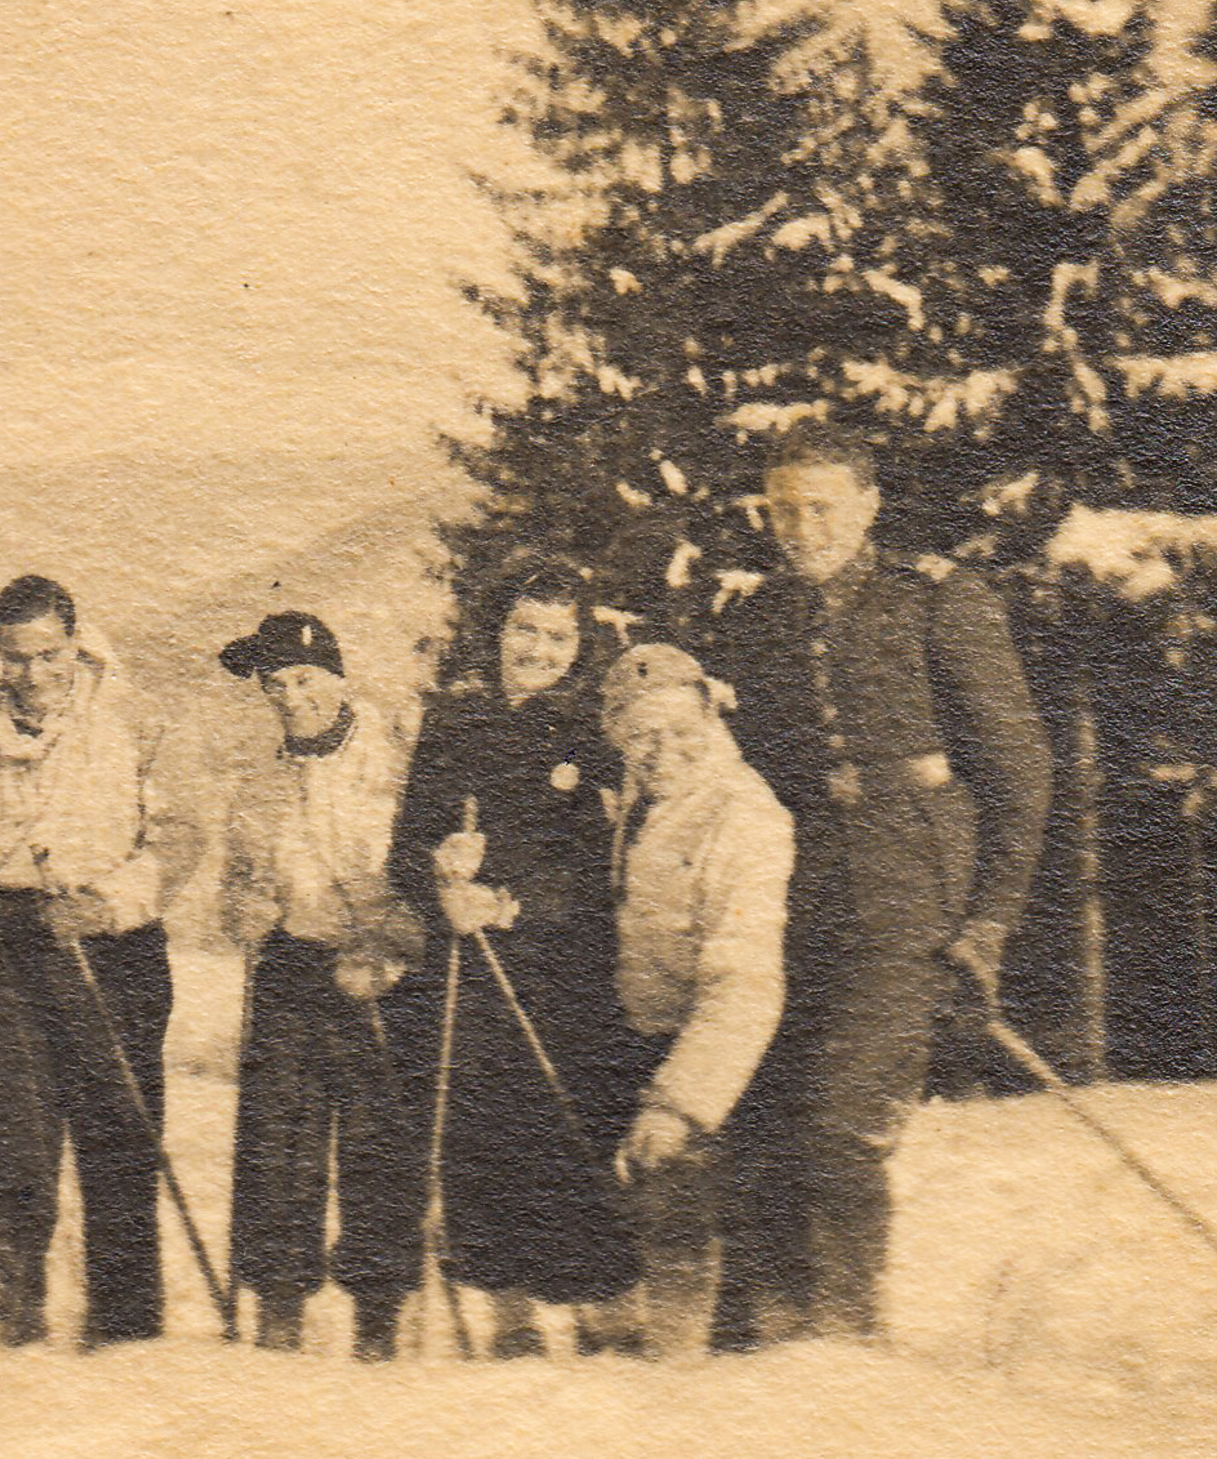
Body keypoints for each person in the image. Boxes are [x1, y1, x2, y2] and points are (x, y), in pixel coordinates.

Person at [707, 421, 1051, 1344]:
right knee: (765, 1116)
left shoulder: (941, 600)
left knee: (843, 1120)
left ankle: (848, 1340)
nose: (801, 528)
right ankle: (772, 1342)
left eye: (822, 507)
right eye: (784, 510)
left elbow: (1019, 775)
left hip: (912, 904)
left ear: (869, 504)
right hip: (792, 903)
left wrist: (989, 923)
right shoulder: (753, 621)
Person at [0, 575, 203, 1348]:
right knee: (2, 1137)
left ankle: (124, 1331)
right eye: (16, 658)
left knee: (119, 1139)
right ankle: (8, 1323)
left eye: (49, 655)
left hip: (109, 943)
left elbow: (180, 836)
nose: (34, 674)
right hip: (4, 946)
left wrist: (109, 903)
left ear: (75, 642)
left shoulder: (135, 720)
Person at [385, 554, 638, 1355]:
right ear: (496, 630)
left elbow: (603, 862)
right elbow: (405, 846)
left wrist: (511, 901)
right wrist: (440, 876)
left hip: (562, 972)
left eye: (558, 636)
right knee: (481, 1133)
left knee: (566, 1127)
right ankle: (509, 1314)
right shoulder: (452, 723)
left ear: (580, 645)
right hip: (466, 971)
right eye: (524, 629)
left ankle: (606, 1309)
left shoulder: (594, 732)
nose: (538, 649)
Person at [216, 612, 426, 1360]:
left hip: (380, 971)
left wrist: (392, 941)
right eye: (274, 685)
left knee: (380, 1145)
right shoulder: (261, 772)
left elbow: (424, 872)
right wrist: (243, 907)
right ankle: (279, 1310)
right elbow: (237, 880)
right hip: (291, 966)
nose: (290, 697)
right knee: (277, 1144)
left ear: (337, 677)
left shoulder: (394, 757)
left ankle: (379, 1316)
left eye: (304, 679)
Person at [597, 644, 792, 1358]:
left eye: (682, 730)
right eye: (641, 735)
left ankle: (688, 1374)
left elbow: (745, 983)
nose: (662, 751)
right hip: (649, 1038)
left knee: (687, 1210)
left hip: (728, 1063)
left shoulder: (744, 816)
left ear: (712, 716)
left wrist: (680, 1104)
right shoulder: (638, 802)